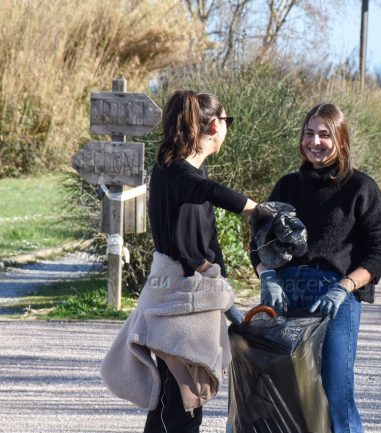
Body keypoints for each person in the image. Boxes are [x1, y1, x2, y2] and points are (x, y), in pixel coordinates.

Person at [102, 89, 256, 433]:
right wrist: (257, 210)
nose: (227, 128)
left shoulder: (180, 175)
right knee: (183, 405)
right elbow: (209, 198)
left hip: (185, 299)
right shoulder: (177, 173)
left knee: (175, 402)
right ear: (215, 126)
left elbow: (203, 245)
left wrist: (226, 296)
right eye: (226, 121)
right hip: (180, 302)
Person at [249, 102, 381, 433]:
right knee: (283, 395)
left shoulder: (361, 188)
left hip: (334, 299)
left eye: (325, 135)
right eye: (309, 133)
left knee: (334, 397)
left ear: (341, 139)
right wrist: (267, 276)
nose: (315, 142)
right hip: (283, 297)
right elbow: (258, 241)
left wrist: (345, 287)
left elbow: (380, 251)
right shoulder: (286, 187)